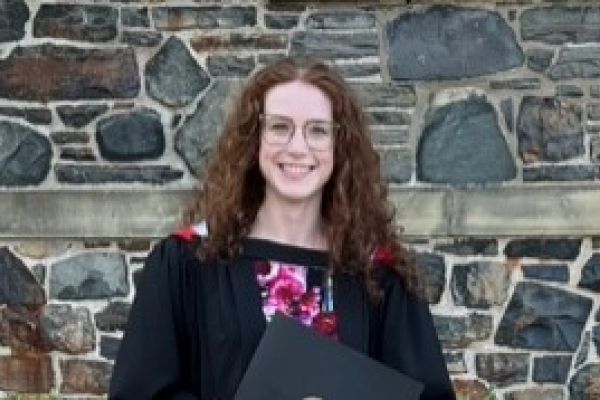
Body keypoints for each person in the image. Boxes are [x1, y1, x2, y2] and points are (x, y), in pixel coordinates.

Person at [109, 57, 455, 400]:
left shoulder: (378, 275)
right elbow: (139, 393)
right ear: (254, 138)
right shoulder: (190, 261)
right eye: (279, 127)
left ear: (339, 146)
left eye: (317, 130)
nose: (297, 147)